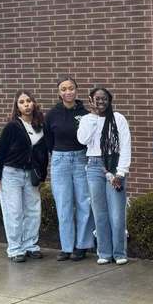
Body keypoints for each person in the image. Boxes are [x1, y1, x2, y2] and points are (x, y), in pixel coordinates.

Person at [0, 90, 49, 262]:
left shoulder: (40, 126)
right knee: (14, 212)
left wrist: (42, 176)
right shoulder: (12, 126)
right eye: (22, 102)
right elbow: (0, 151)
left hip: (31, 175)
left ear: (34, 103)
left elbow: (43, 155)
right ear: (17, 107)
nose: (26, 104)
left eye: (29, 101)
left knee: (33, 211)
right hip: (11, 174)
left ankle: (30, 245)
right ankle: (15, 249)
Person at [45, 75, 96, 261]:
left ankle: (82, 245)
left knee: (84, 202)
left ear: (77, 90)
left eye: (71, 88)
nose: (68, 92)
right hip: (60, 160)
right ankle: (66, 247)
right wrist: (59, 155)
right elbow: (48, 140)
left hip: (81, 159)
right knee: (63, 204)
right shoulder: (52, 114)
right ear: (59, 93)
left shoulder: (85, 113)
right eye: (63, 89)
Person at [78, 86, 131, 264]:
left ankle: (119, 253)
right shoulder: (86, 119)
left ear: (109, 100)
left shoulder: (118, 118)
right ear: (91, 100)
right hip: (94, 165)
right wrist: (94, 117)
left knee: (116, 213)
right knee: (99, 212)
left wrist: (121, 171)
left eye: (104, 99)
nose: (101, 102)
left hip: (114, 165)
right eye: (97, 99)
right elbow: (83, 140)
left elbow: (125, 145)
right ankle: (104, 252)